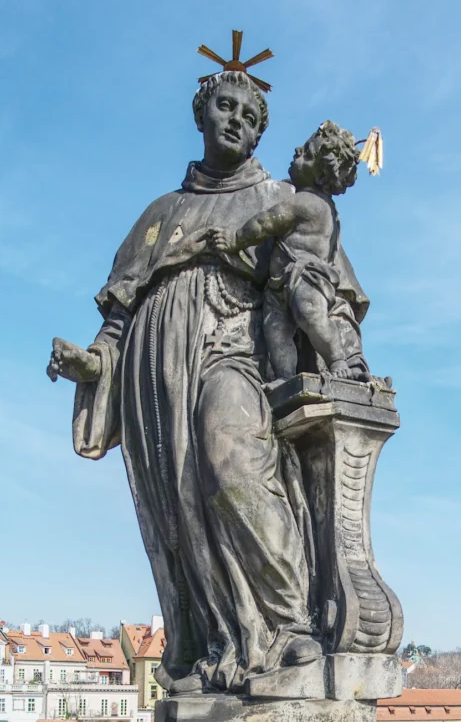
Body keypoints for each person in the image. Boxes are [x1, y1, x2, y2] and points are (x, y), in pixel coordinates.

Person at [47, 71, 324, 694]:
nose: (235, 121)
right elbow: (117, 320)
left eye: (250, 117)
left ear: (259, 134)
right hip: (155, 380)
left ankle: (286, 624)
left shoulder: (275, 197)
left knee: (230, 461)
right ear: (201, 115)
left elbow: (318, 279)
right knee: (180, 504)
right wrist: (91, 365)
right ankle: (218, 641)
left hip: (234, 351)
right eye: (225, 107)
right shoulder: (160, 215)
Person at [208, 121, 362, 386]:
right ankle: (285, 377)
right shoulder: (316, 203)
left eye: (306, 154)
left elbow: (265, 222)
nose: (296, 151)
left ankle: (337, 359)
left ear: (322, 176)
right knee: (275, 330)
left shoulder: (308, 203)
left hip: (306, 278)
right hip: (279, 283)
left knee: (310, 316)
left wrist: (235, 239)